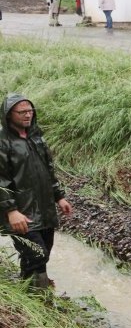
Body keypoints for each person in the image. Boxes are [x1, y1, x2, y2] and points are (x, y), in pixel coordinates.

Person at [0, 95, 72, 290]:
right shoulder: (3, 142)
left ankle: (28, 286)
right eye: (22, 112)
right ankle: (39, 294)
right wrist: (11, 211)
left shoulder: (36, 136)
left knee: (43, 252)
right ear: (8, 115)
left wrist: (59, 196)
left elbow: (48, 170)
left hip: (44, 207)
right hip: (20, 212)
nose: (27, 115)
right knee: (37, 253)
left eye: (30, 111)